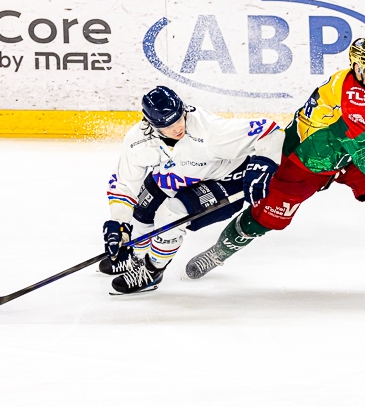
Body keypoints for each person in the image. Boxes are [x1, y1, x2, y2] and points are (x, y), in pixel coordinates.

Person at [184, 36, 365, 280]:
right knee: (267, 218)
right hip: (306, 161)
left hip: (348, 158)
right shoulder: (350, 96)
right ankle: (217, 253)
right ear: (358, 69)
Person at [102, 86, 284, 294]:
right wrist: (118, 222)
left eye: (179, 118)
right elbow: (125, 185)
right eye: (167, 125)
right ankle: (136, 257)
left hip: (224, 182)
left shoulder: (209, 131)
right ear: (150, 125)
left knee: (169, 215)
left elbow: (269, 131)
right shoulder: (137, 141)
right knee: (141, 211)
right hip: (181, 174)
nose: (177, 127)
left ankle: (152, 271)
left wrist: (263, 165)